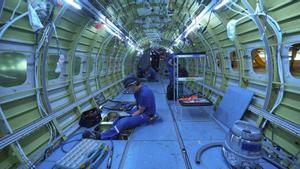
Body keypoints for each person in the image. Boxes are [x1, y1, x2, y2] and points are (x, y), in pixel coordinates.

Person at [83, 75, 156, 140]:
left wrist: (129, 116)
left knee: (124, 122)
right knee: (119, 116)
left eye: (129, 88)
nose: (129, 90)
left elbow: (141, 111)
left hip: (146, 114)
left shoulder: (145, 94)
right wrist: (129, 105)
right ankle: (112, 132)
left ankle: (100, 136)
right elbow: (138, 101)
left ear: (133, 85)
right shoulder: (137, 90)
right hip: (138, 109)